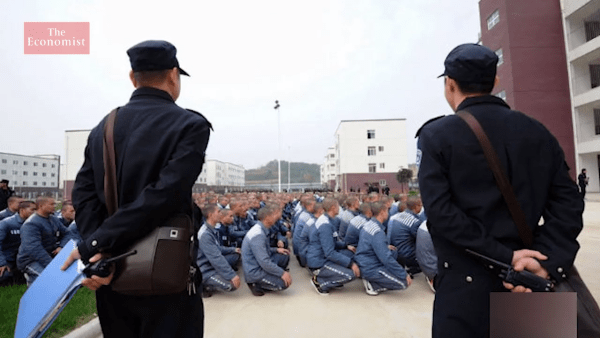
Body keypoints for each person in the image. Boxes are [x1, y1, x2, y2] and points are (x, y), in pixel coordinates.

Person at [417, 43, 583, 337]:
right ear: (495, 82)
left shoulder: (437, 136)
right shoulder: (537, 131)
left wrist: (507, 257)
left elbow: (442, 215)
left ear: (449, 84)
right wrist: (545, 262)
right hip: (531, 283)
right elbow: (569, 203)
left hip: (467, 288)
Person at [62, 40, 211, 337]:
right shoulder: (190, 125)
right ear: (173, 74)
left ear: (133, 78)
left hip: (113, 275)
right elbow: (163, 196)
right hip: (165, 274)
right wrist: (97, 245)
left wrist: (99, 248)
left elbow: (83, 195)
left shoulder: (104, 127)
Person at [354, 202, 411, 296]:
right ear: (382, 213)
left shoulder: (368, 224)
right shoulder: (377, 232)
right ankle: (372, 284)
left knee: (393, 251)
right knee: (404, 283)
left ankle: (374, 278)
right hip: (370, 266)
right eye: (386, 211)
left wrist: (383, 246)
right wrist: (403, 274)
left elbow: (368, 242)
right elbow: (386, 258)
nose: (388, 213)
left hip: (364, 260)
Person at [306, 198, 360, 295]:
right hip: (319, 262)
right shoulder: (325, 225)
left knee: (350, 254)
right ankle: (320, 282)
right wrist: (351, 264)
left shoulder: (328, 220)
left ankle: (334, 277)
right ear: (333, 208)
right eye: (338, 206)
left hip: (323, 256)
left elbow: (332, 242)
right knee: (351, 274)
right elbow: (330, 253)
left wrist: (346, 246)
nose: (340, 208)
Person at [17, 197, 71, 286]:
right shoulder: (31, 224)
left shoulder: (53, 219)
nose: (55, 206)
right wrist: (52, 266)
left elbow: (68, 233)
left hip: (47, 257)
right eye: (52, 204)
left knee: (59, 280)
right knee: (48, 280)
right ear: (41, 206)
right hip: (30, 260)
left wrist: (61, 246)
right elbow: (34, 249)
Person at [242, 203, 292, 297]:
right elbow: (264, 261)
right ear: (267, 218)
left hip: (259, 264)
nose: (276, 217)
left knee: (284, 255)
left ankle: (270, 276)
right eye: (273, 215)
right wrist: (282, 273)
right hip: (255, 271)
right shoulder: (258, 234)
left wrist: (276, 250)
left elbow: (264, 250)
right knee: (284, 283)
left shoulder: (262, 228)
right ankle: (255, 283)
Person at [197, 204, 241, 298]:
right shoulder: (205, 234)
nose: (220, 214)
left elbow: (218, 249)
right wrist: (231, 275)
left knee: (234, 256)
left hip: (210, 264)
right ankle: (203, 284)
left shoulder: (212, 229)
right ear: (210, 215)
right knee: (231, 285)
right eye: (218, 212)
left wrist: (233, 249)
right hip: (205, 268)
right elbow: (215, 257)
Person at [0, 200, 36, 285]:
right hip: (7, 258)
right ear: (22, 210)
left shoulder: (35, 224)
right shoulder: (6, 223)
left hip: (24, 259)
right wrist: (2, 263)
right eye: (32, 210)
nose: (35, 212)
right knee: (4, 276)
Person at [387, 196, 424, 275]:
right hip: (407, 255)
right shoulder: (414, 222)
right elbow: (421, 241)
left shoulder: (394, 217)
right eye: (421, 205)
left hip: (393, 252)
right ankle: (411, 269)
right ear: (416, 206)